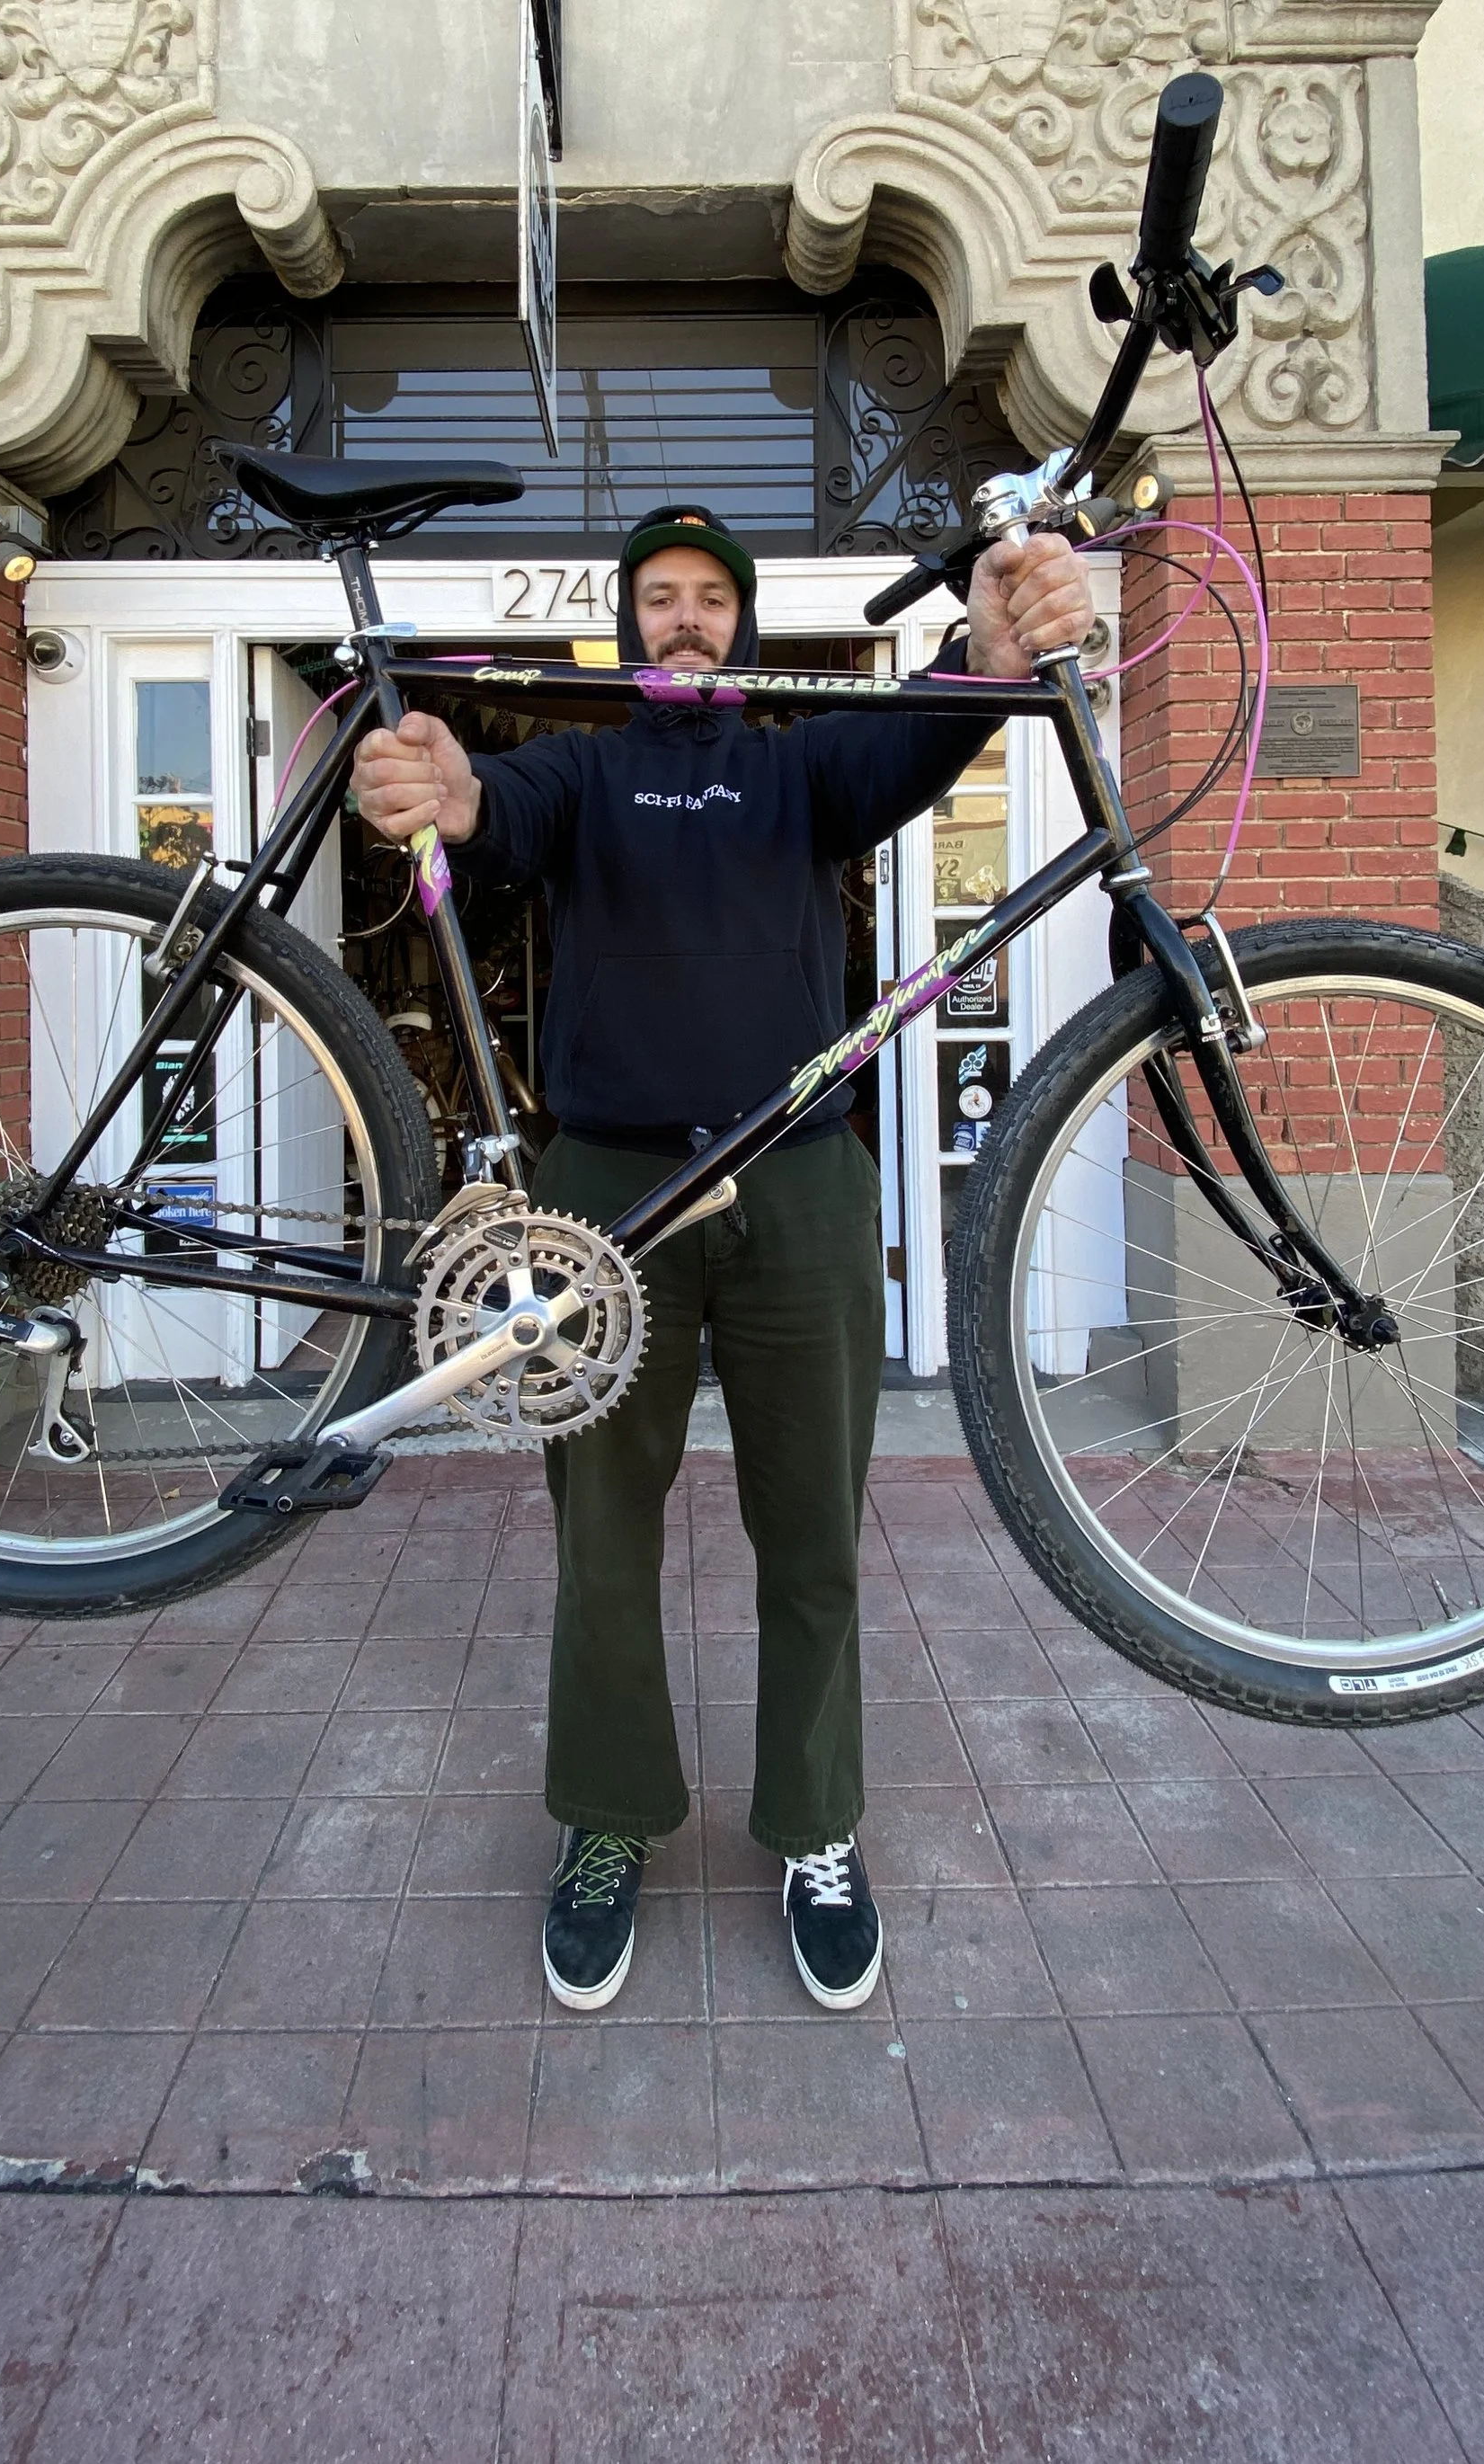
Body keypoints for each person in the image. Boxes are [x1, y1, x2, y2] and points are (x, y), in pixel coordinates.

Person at [351, 502, 1094, 2011]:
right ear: (626, 625)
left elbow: (929, 731)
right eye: (659, 598)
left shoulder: (799, 764)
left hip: (800, 1191)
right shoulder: (582, 766)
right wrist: (436, 784)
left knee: (812, 1537)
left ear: (742, 627)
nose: (684, 619)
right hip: (603, 1199)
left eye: (708, 599)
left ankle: (817, 1827)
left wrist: (988, 649)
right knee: (602, 1543)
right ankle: (609, 1819)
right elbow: (491, 807)